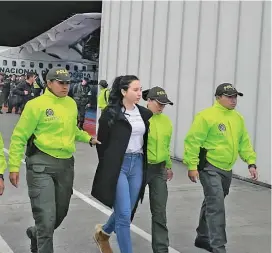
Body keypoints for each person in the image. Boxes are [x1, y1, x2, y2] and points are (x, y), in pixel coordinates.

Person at [8, 67, 100, 253]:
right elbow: (19, 136)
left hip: (65, 165)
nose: (65, 86)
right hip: (41, 164)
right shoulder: (36, 105)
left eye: (67, 83)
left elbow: (72, 130)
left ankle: (36, 233)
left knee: (60, 213)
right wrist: (14, 166)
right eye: (61, 83)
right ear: (49, 83)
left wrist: (87, 138)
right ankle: (42, 240)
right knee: (46, 217)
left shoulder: (71, 104)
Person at [183, 83, 258, 253]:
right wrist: (192, 166)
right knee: (216, 206)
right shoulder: (206, 116)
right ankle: (218, 247)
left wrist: (250, 162)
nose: (234, 100)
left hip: (226, 169)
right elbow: (192, 141)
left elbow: (243, 142)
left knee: (212, 201)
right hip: (209, 167)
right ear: (218, 98)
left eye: (235, 96)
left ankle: (202, 237)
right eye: (229, 97)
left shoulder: (238, 118)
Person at [92, 75, 153, 253]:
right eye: (135, 90)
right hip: (119, 166)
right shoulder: (110, 114)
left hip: (137, 164)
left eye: (140, 89)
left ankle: (102, 234)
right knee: (124, 215)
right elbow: (102, 145)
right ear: (123, 91)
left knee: (126, 211)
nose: (139, 93)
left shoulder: (143, 113)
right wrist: (109, 167)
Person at [142, 86, 174, 253]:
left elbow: (165, 146)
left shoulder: (166, 122)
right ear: (149, 101)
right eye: (159, 104)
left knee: (160, 211)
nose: (161, 107)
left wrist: (168, 165)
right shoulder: (140, 118)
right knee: (127, 210)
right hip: (140, 168)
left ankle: (161, 249)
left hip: (159, 169)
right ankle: (106, 231)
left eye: (164, 104)